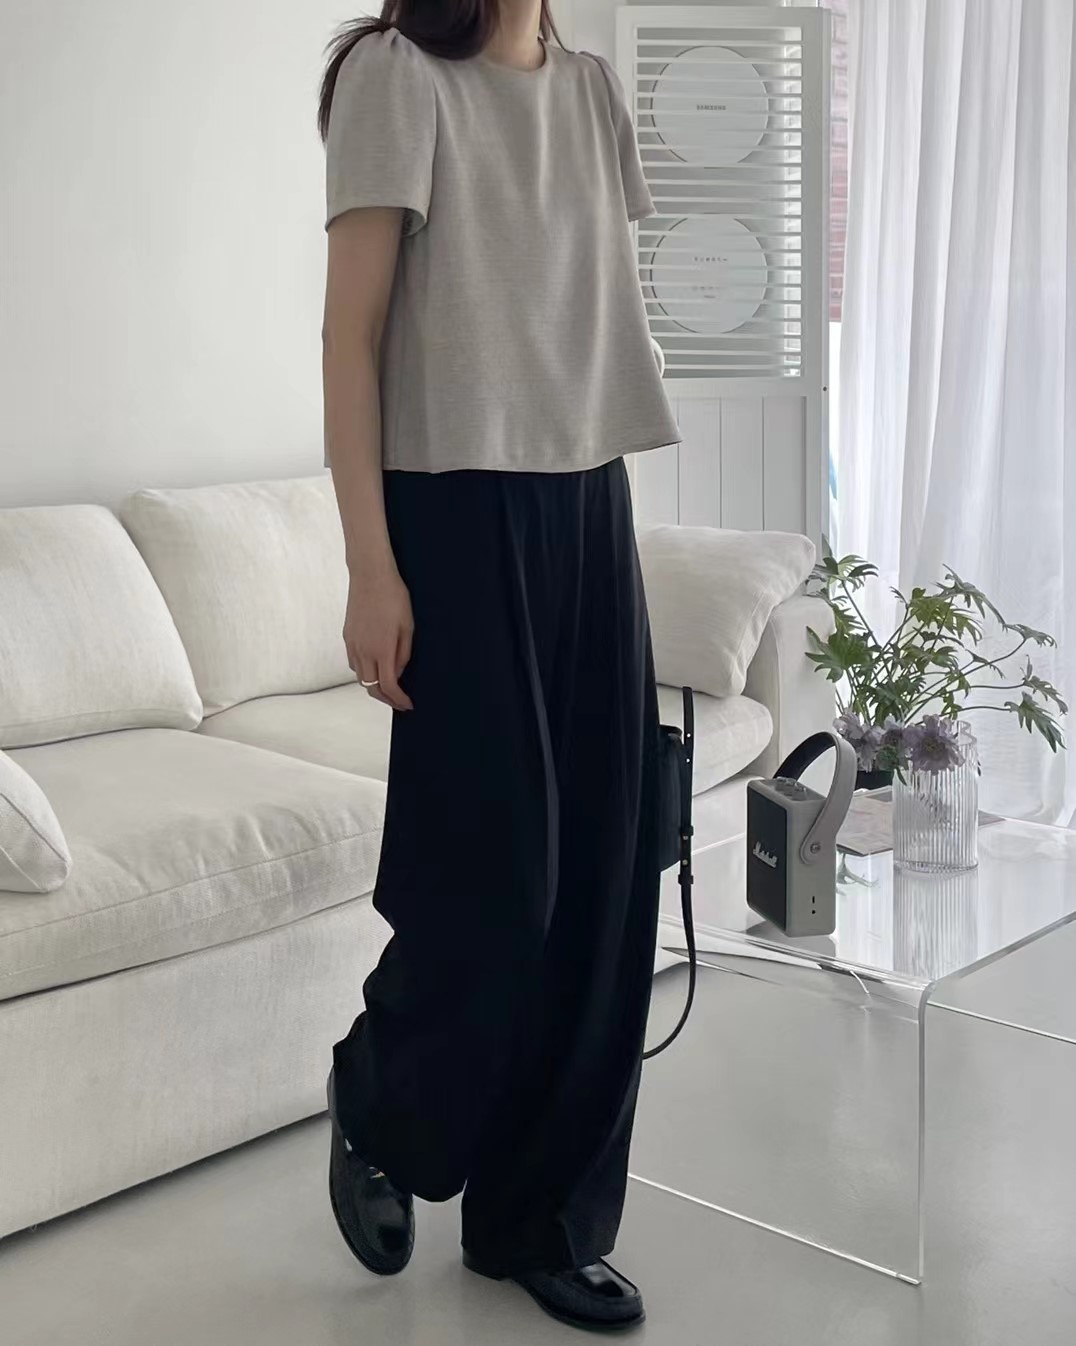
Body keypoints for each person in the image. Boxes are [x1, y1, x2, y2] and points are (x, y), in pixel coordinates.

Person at [319, 0, 682, 1331]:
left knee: (605, 878)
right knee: (496, 877)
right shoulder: (395, 75)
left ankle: (539, 1219)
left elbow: (573, 313)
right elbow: (350, 338)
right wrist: (371, 566)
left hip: (590, 499)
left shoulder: (589, 90)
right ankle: (381, 1095)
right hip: (456, 511)